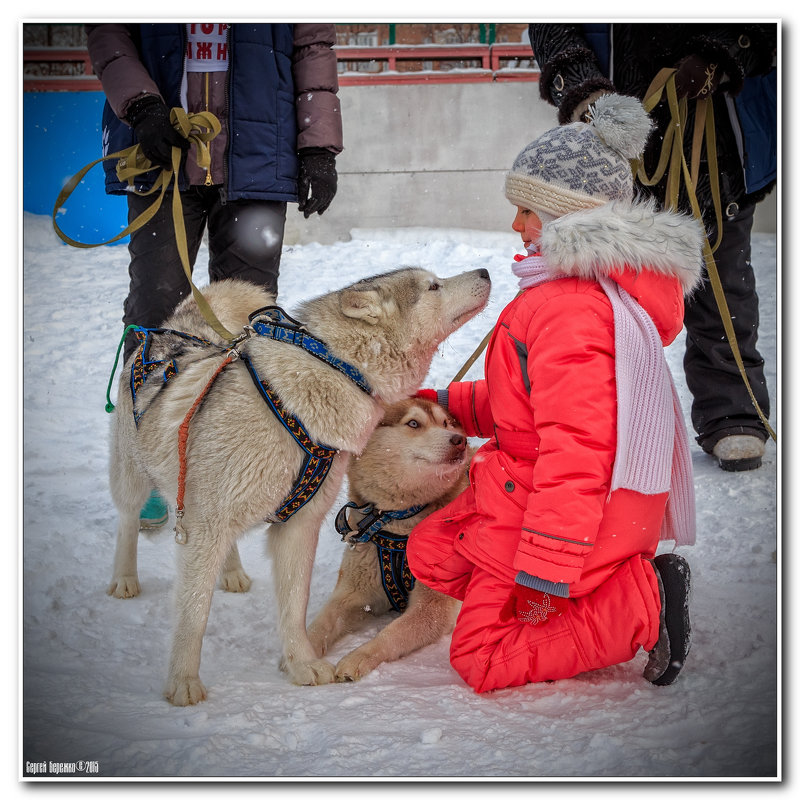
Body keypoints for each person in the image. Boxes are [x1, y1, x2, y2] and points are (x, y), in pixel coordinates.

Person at [407, 94, 703, 693]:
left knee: (481, 658)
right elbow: (532, 408)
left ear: (570, 218)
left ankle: (643, 601)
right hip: (577, 499)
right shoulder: (570, 295)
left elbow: (578, 449)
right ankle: (584, 597)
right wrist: (443, 404)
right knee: (434, 551)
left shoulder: (568, 309)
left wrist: (547, 563)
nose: (515, 225)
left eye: (527, 210)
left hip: (577, 512)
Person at [86, 23, 343, 527]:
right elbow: (109, 28)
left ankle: (233, 455)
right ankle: (148, 457)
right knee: (156, 312)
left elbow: (313, 43)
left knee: (250, 317)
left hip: (259, 151)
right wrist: (141, 106)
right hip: (160, 147)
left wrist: (318, 145)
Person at [527, 23, 777, 472]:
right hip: (611, 133)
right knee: (604, 294)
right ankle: (599, 417)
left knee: (722, 274)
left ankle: (733, 413)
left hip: (717, 130)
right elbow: (553, 24)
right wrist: (588, 96)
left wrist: (721, 55)